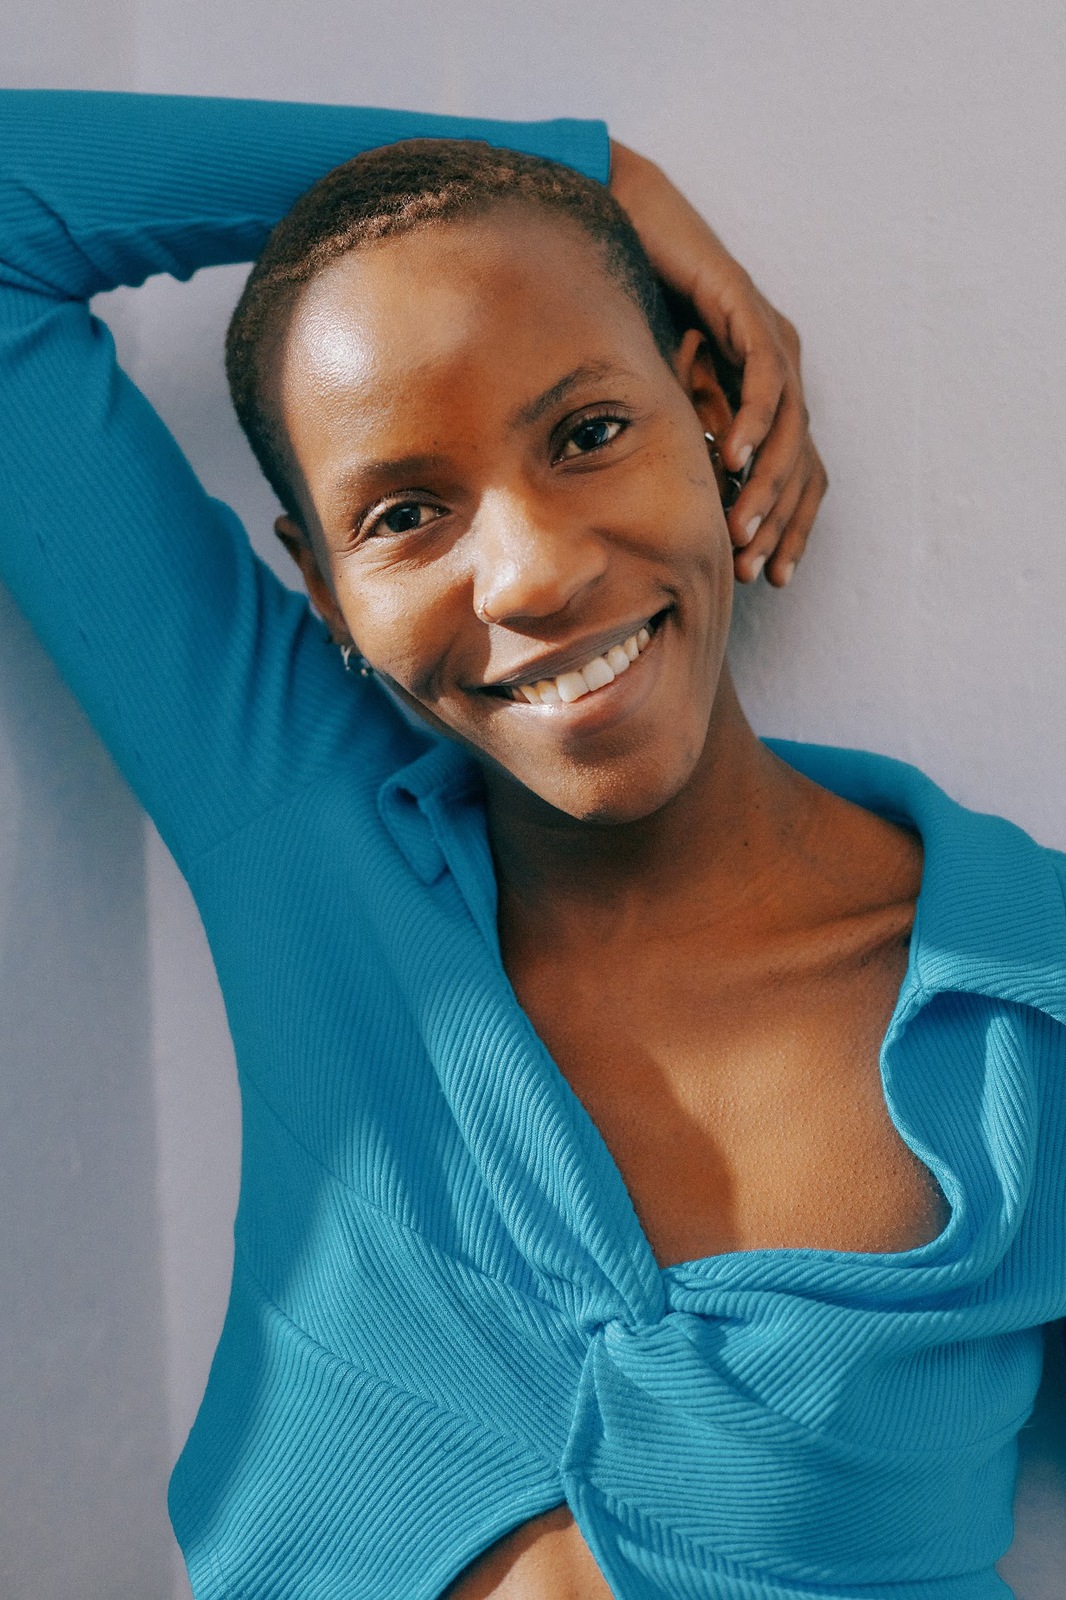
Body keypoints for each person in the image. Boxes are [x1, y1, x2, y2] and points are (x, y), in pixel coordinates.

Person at [0, 89, 1062, 1600]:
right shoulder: (301, 836)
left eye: (588, 432)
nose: (534, 572)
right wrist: (584, 171)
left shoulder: (1024, 1004)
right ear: (317, 584)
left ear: (709, 411)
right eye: (405, 515)